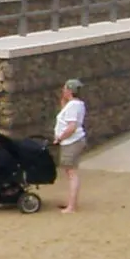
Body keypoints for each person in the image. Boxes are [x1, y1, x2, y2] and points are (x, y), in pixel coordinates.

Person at [55, 79, 88, 214]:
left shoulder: (74, 106)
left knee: (71, 173)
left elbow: (71, 127)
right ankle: (71, 203)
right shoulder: (75, 105)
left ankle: (72, 206)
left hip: (71, 141)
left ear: (69, 90)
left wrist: (59, 138)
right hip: (71, 141)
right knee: (70, 172)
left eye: (64, 89)